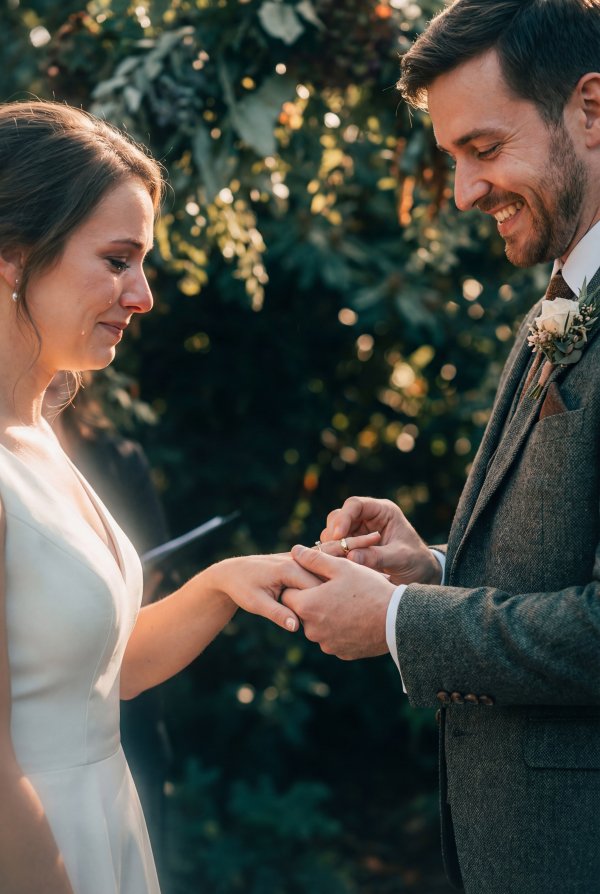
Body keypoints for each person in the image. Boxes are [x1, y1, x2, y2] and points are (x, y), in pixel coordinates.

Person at [282, 1, 600, 892]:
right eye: (452, 158)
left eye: (485, 150)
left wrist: (392, 621)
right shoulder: (567, 291)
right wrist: (432, 566)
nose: (463, 193)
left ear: (592, 108)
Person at [0, 100, 320, 894]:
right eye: (117, 260)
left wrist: (223, 584)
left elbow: (95, 675)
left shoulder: (38, 436)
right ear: (12, 255)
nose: (141, 295)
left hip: (104, 825)